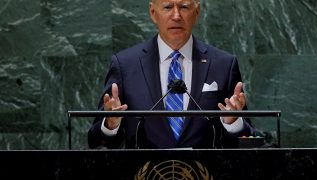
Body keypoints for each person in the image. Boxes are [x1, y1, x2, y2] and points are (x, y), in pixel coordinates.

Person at [88, 0, 255, 149]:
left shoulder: (223, 65)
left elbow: (249, 142)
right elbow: (96, 143)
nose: (176, 16)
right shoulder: (125, 65)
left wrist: (233, 122)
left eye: (184, 7)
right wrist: (110, 124)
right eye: (168, 7)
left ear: (197, 13)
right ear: (153, 13)